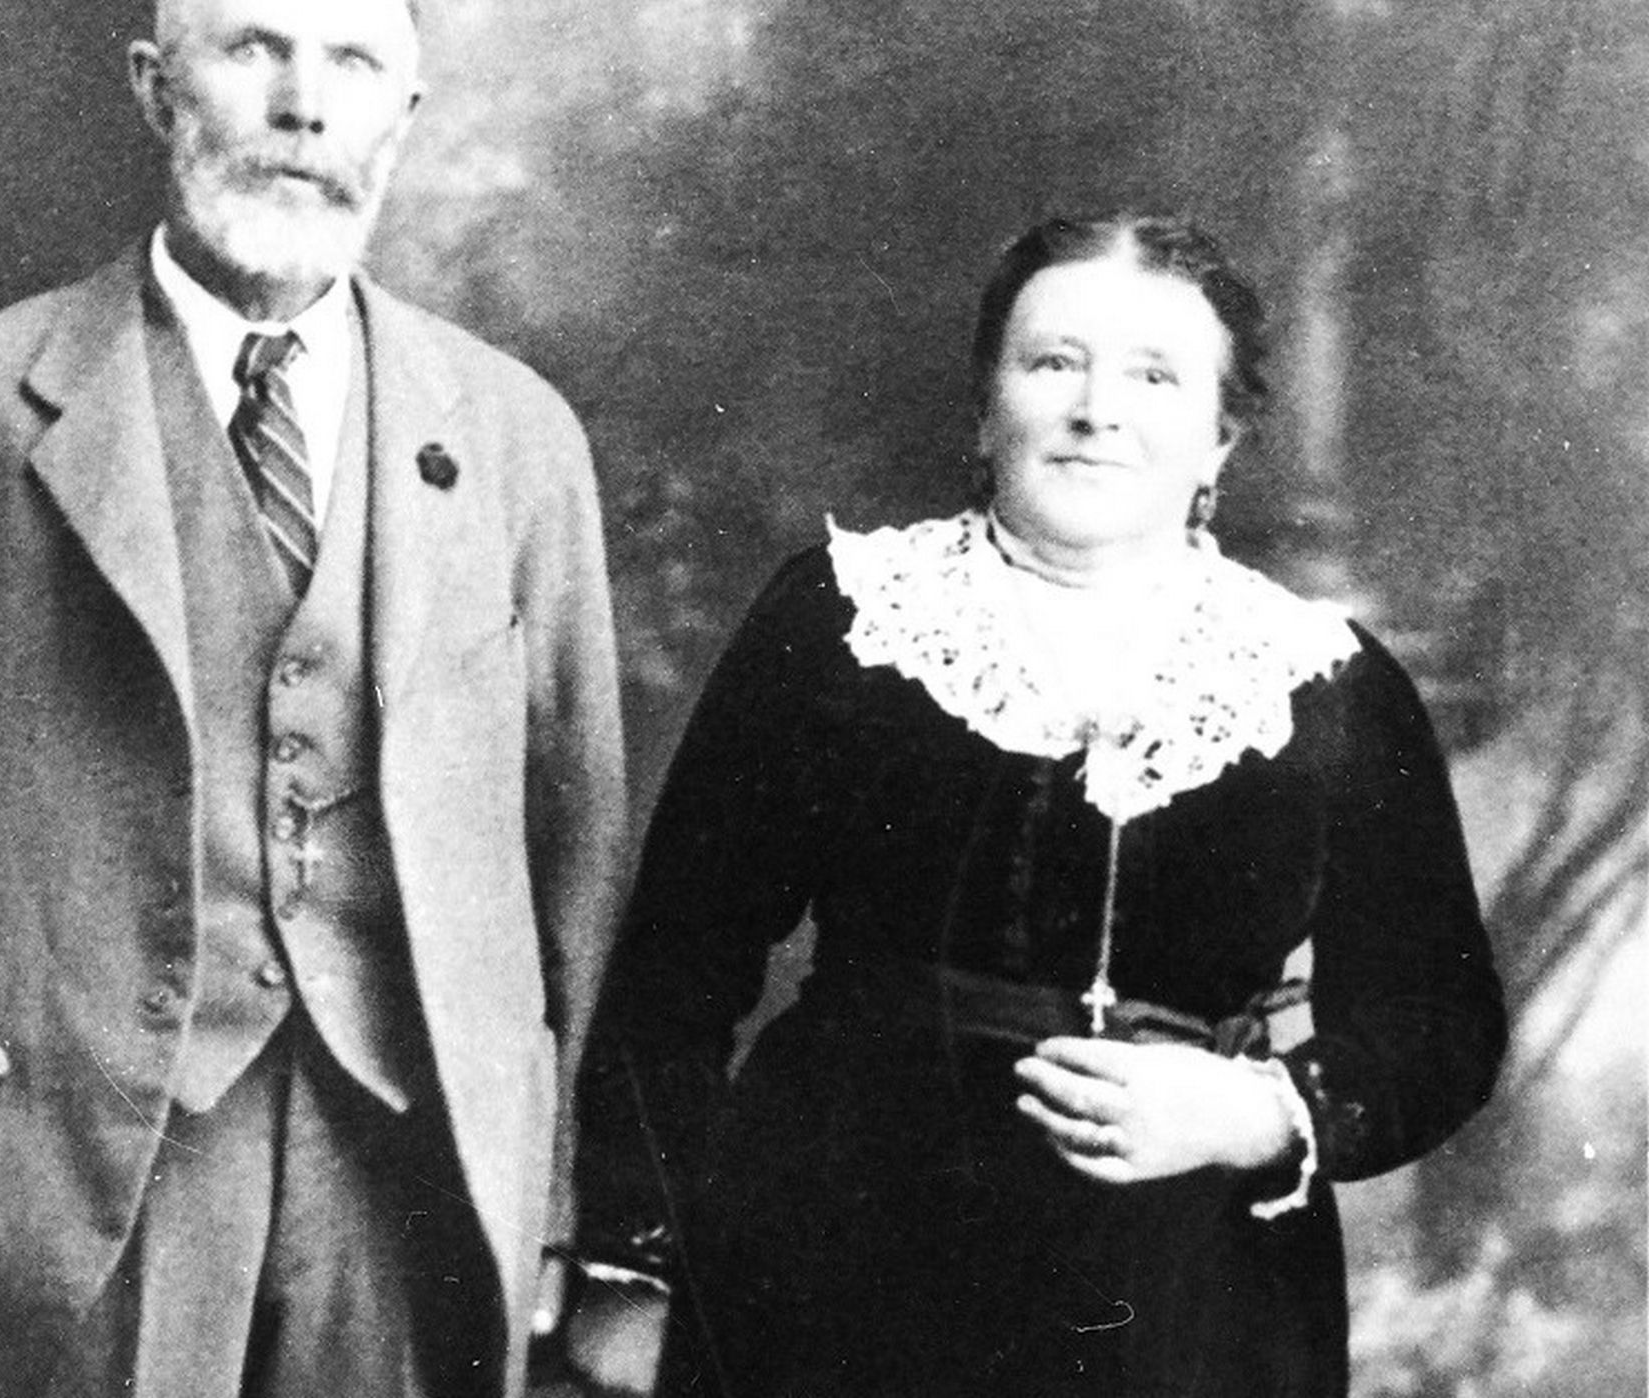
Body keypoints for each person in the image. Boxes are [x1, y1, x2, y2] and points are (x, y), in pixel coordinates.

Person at [0, 0, 631, 1398]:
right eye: (255, 51)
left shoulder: (513, 437)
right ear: (156, 88)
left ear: (405, 114)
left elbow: (575, 839)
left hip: (410, 1154)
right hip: (80, 1141)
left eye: (354, 66)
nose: (304, 106)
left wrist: (544, 1165)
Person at [566, 214, 1506, 1398]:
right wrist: (633, 1269)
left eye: (1155, 376)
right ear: (986, 404)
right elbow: (675, 969)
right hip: (828, 1271)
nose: (1099, 409)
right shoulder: (845, 617)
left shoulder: (1327, 685)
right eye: (1055, 361)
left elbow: (1439, 1023)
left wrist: (1256, 1110)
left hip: (1183, 1308)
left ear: (1221, 438)